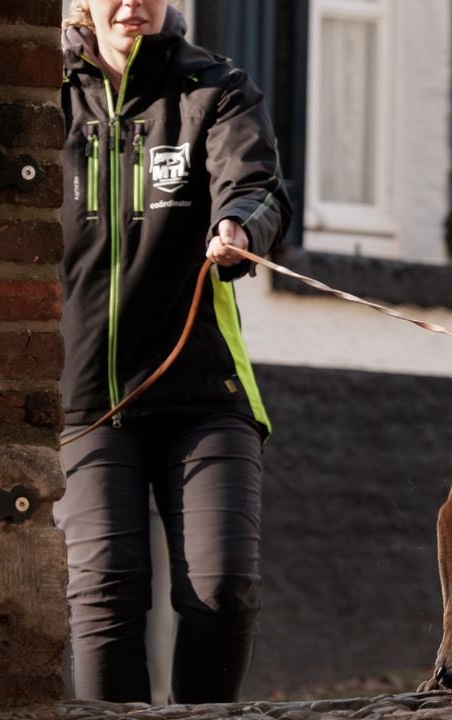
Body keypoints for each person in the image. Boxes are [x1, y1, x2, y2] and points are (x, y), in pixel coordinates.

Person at [55, 0, 291, 703]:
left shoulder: (215, 88)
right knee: (106, 591)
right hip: (86, 400)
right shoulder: (47, 98)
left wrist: (240, 228)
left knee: (223, 589)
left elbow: (257, 188)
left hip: (203, 393)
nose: (132, 5)